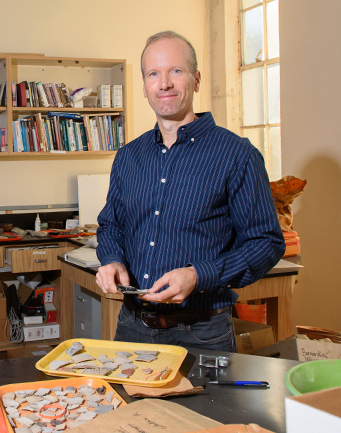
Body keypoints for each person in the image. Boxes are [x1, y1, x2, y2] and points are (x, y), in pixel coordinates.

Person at [95, 31, 285, 352]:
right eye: (153, 74)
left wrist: (200, 275)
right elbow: (112, 225)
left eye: (176, 71)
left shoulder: (237, 155)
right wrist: (112, 259)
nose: (164, 83)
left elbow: (266, 243)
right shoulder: (129, 156)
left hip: (203, 332)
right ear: (144, 86)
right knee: (131, 405)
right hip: (132, 327)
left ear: (196, 80)